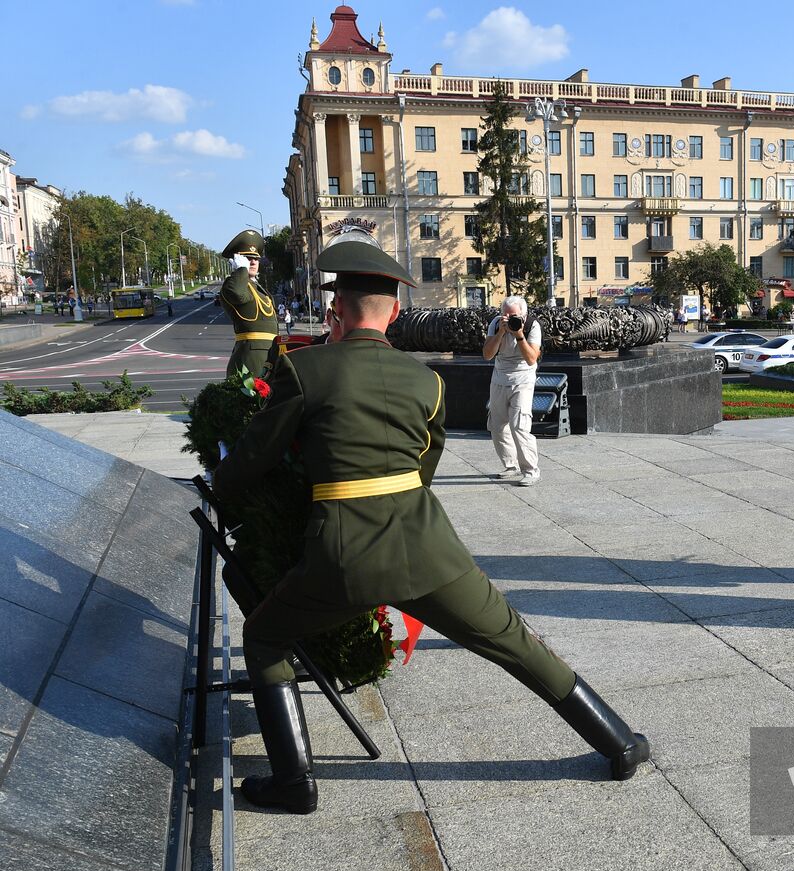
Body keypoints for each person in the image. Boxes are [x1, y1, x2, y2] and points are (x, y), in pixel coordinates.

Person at [213, 239, 648, 815]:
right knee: (514, 642)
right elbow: (423, 470)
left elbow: (251, 461)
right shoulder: (427, 383)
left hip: (340, 558)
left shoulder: (304, 369)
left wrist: (226, 489)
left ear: (336, 309)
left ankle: (294, 781)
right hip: (429, 552)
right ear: (394, 313)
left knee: (266, 638)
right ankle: (618, 742)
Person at [483, 295, 543, 487]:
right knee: (497, 424)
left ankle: (531, 470)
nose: (509, 320)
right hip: (499, 378)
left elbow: (532, 358)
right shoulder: (495, 324)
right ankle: (510, 466)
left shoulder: (532, 325)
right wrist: (501, 332)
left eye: (514, 316)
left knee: (520, 425)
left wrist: (518, 335)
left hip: (523, 378)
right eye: (505, 315)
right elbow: (487, 355)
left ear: (523, 315)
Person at [218, 229, 279, 378]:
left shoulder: (258, 288)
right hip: (251, 360)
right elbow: (238, 295)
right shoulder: (233, 285)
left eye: (255, 259)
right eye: (247, 258)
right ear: (237, 261)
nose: (252, 262)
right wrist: (241, 271)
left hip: (271, 354)